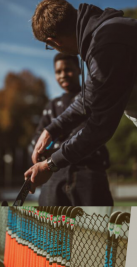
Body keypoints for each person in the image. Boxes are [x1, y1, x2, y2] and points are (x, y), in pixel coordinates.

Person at [26, 0, 137, 195]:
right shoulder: (104, 34)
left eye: (48, 46)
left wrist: (51, 165)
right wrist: (52, 129)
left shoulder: (106, 45)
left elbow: (100, 126)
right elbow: (89, 97)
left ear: (53, 41)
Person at [31, 53, 112, 205]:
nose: (63, 75)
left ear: (79, 70)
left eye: (68, 69)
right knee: (51, 224)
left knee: (94, 223)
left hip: (88, 171)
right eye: (58, 72)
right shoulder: (52, 105)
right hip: (53, 174)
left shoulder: (91, 98)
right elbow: (37, 139)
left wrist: (56, 144)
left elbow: (86, 134)